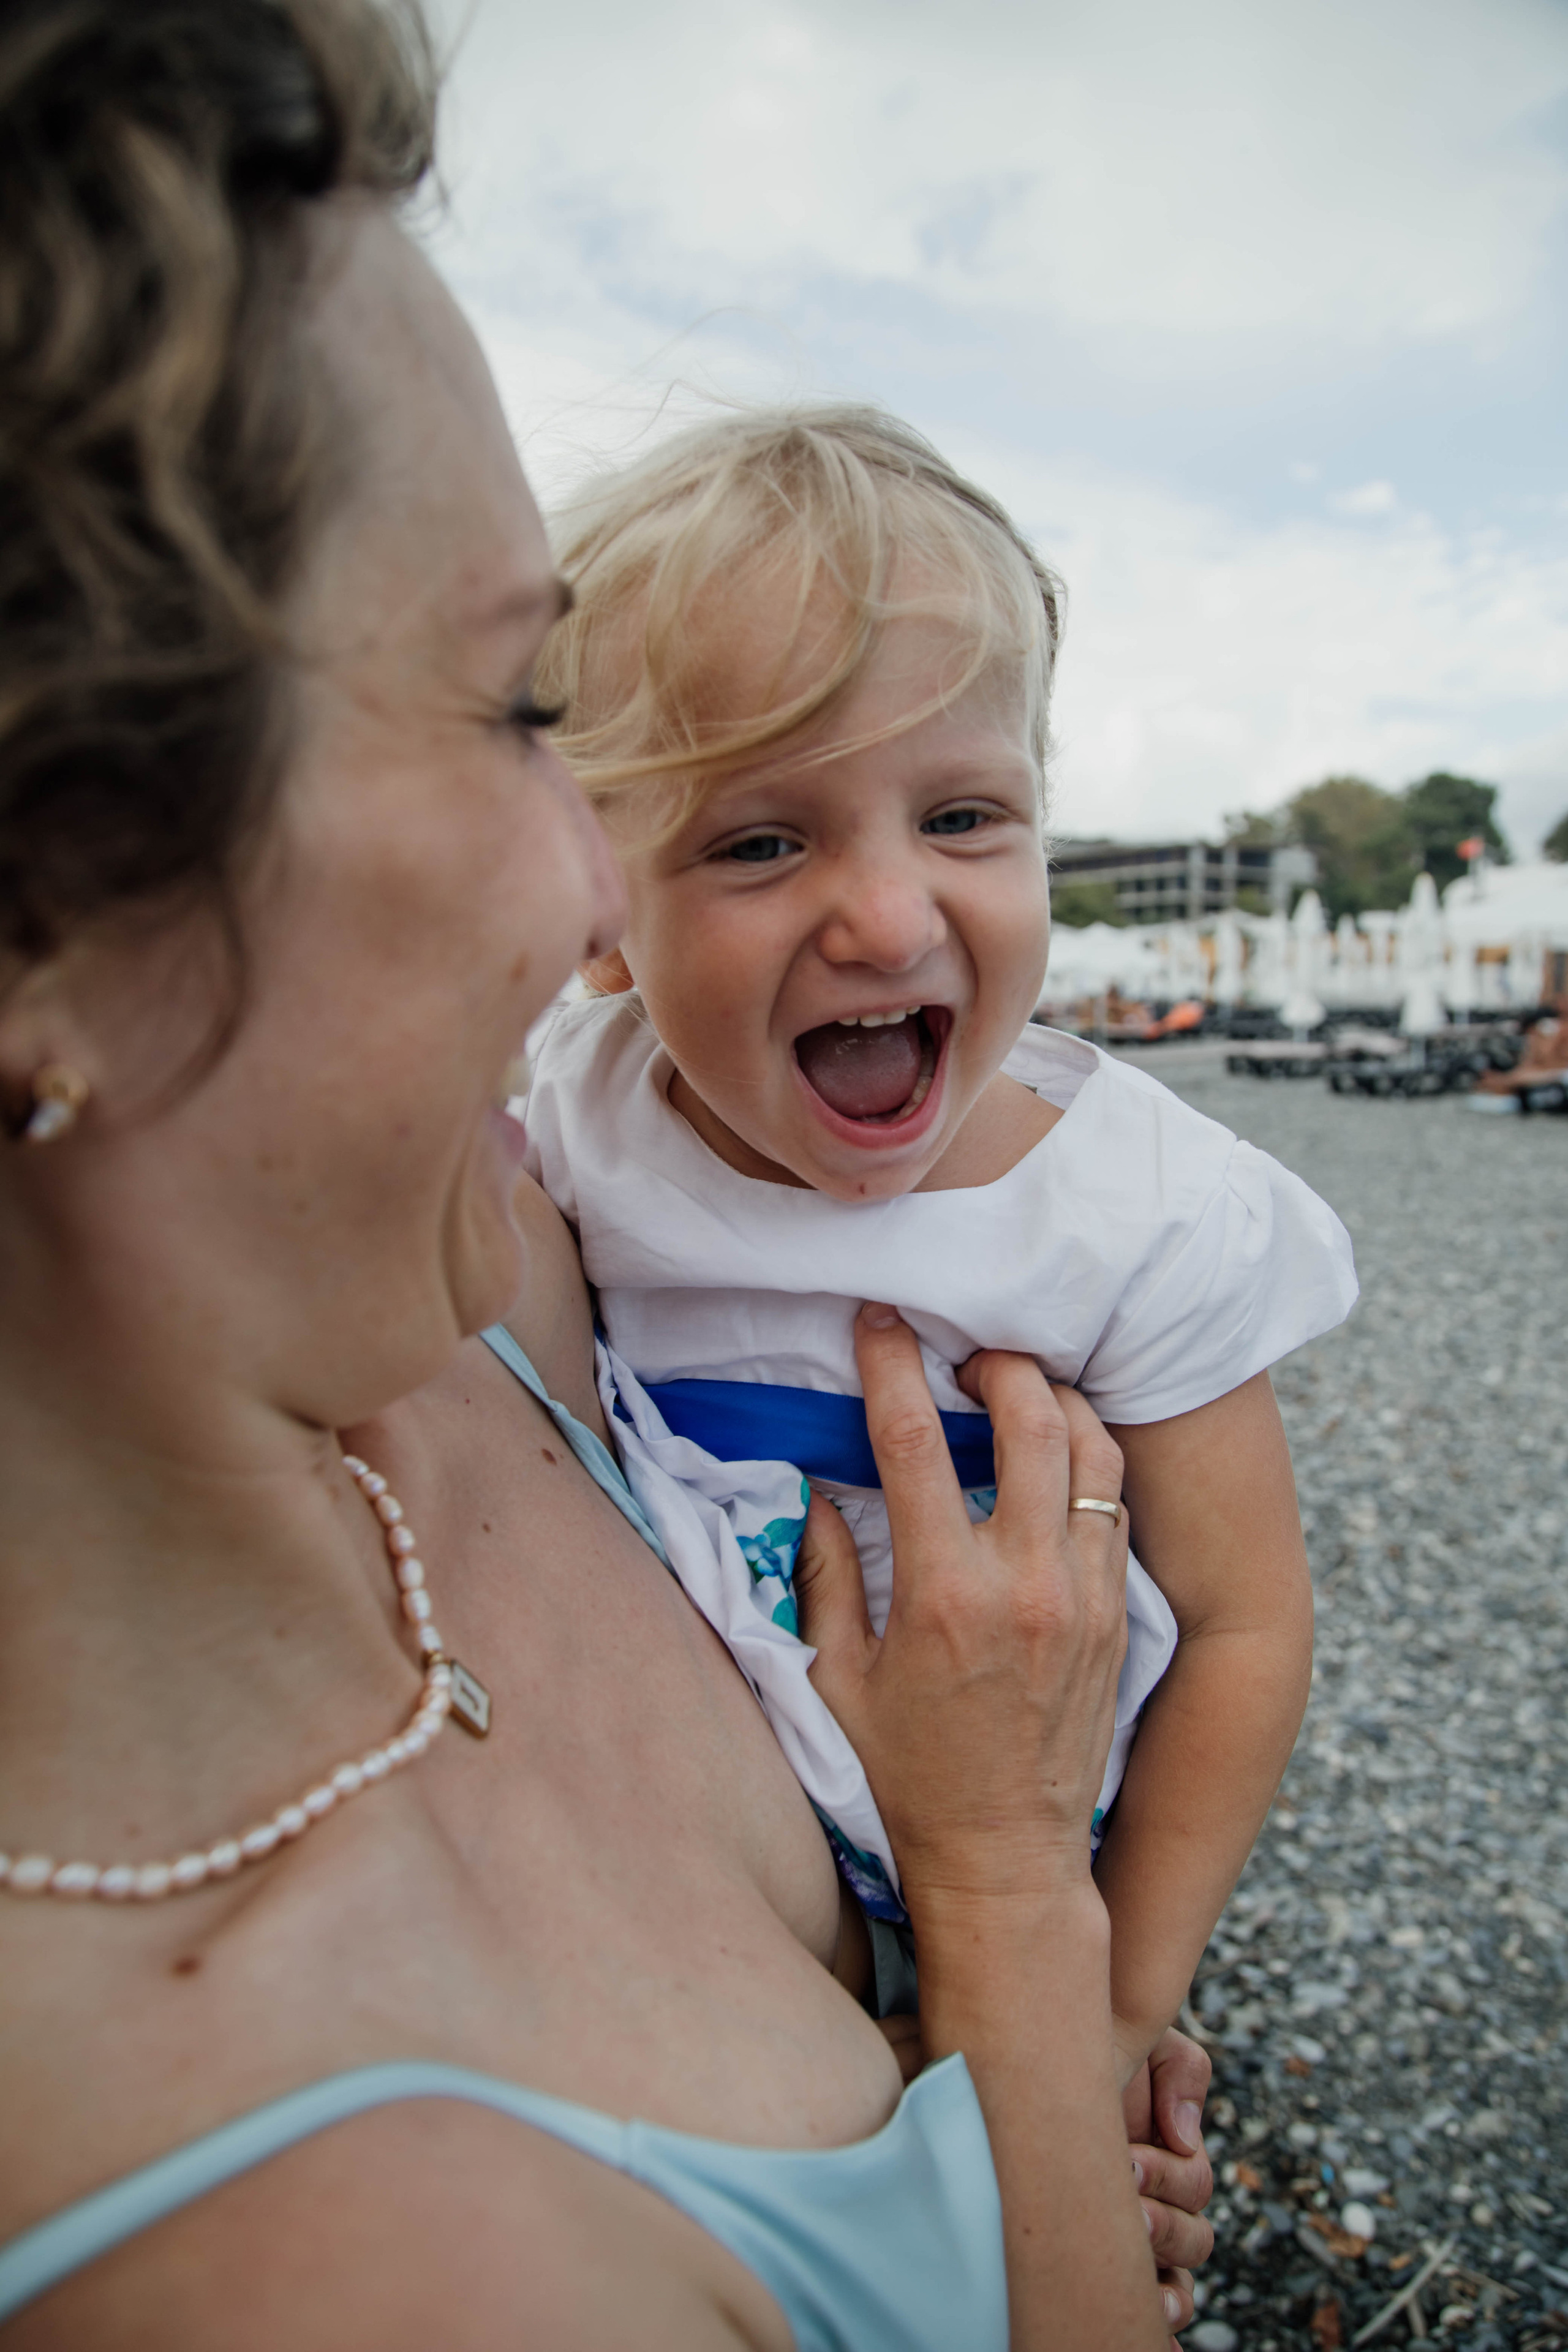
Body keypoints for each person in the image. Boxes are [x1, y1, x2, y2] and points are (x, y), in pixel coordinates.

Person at [0, 4, 1213, 2346]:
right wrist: (1000, 1910)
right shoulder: (352, 2274)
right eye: (508, 715)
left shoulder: (518, 1286)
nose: (602, 908)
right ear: (46, 919)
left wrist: (1006, 2089)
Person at [523, 405, 1359, 2075]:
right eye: (762, 840)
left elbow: (1250, 1623)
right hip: (709, 1883)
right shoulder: (572, 1123)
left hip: (1038, 1856)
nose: (890, 916)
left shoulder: (1141, 1213)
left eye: (965, 818)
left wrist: (1118, 2005)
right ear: (597, 923)